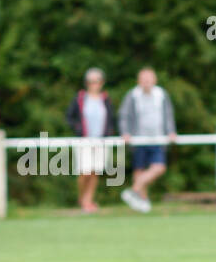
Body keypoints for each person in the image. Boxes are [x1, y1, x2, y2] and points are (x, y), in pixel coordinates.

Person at [118, 67, 177, 213]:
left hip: (158, 139)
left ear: (154, 80)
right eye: (143, 80)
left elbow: (168, 115)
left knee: (159, 168)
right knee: (139, 170)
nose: (146, 82)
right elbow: (124, 115)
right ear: (139, 81)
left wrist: (171, 131)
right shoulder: (132, 95)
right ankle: (141, 203)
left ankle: (133, 190)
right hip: (139, 139)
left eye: (149, 79)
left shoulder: (161, 94)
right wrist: (125, 132)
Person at [63, 67, 116, 214]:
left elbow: (111, 119)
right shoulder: (79, 99)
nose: (94, 84)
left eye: (97, 81)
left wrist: (108, 134)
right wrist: (79, 129)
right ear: (86, 83)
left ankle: (88, 201)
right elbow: (69, 118)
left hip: (101, 142)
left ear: (102, 82)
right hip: (84, 141)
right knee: (85, 172)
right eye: (91, 82)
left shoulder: (105, 100)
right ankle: (82, 199)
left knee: (95, 172)